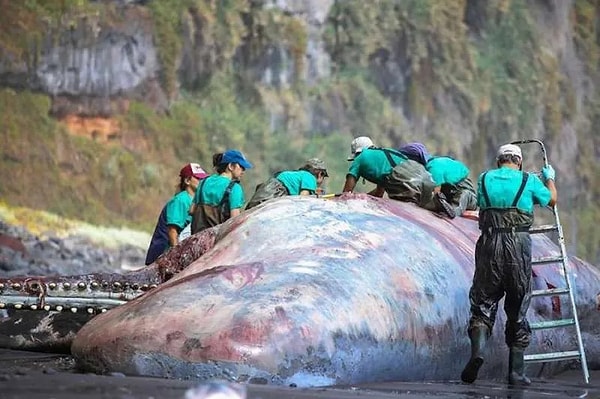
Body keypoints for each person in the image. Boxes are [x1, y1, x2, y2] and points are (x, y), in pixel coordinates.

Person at [460, 143, 557, 386]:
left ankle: (478, 353)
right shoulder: (528, 180)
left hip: (489, 244)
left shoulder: (483, 179)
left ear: (498, 161)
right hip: (518, 246)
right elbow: (552, 200)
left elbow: (480, 205)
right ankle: (516, 373)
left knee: (482, 303)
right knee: (517, 305)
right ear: (519, 162)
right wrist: (549, 179)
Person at [145, 163, 208, 265]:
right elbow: (172, 231)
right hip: (163, 254)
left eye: (203, 179)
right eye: (198, 178)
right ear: (187, 181)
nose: (201, 182)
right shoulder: (180, 200)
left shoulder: (195, 201)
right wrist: (177, 257)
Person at [342, 136, 435, 205]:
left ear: (358, 152)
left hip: (409, 184)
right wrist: (363, 196)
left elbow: (347, 193)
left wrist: (353, 198)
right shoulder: (385, 155)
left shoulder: (360, 157)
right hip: (426, 179)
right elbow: (379, 193)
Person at [399, 142, 477, 219]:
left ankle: (452, 211)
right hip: (449, 195)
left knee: (462, 196)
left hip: (468, 197)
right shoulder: (432, 165)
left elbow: (436, 192)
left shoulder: (434, 167)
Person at [190, 150, 252, 234]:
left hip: (196, 238)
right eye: (241, 167)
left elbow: (191, 210)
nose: (243, 171)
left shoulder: (204, 182)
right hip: (217, 241)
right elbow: (235, 222)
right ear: (231, 166)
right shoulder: (234, 188)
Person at [246, 158, 329, 210]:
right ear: (320, 173)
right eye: (323, 176)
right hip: (276, 191)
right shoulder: (310, 177)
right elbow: (303, 199)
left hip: (269, 187)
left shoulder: (299, 175)